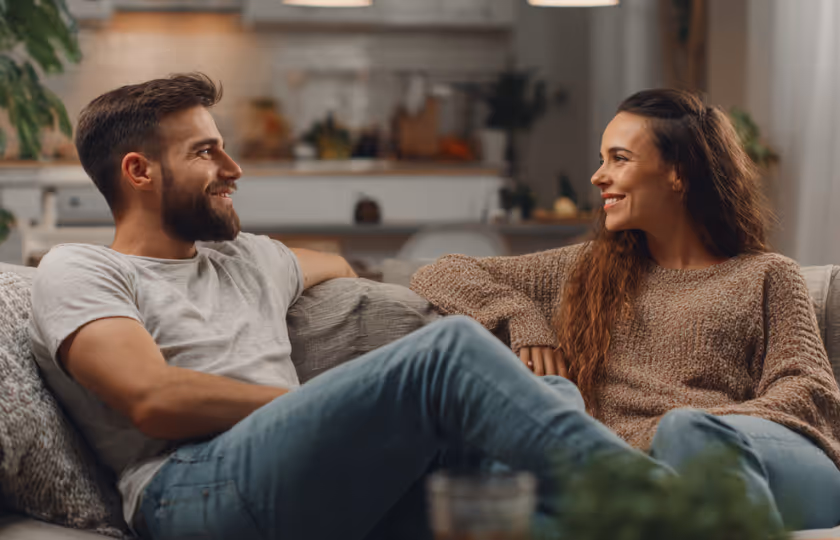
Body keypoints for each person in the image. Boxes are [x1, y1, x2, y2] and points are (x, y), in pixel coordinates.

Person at [28, 73, 666, 540]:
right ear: (138, 172)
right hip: (191, 490)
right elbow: (153, 400)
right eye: (204, 152)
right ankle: (695, 514)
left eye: (222, 146)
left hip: (304, 483)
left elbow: (338, 264)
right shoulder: (82, 269)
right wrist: (328, 402)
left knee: (514, 486)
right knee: (447, 354)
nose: (233, 167)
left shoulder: (249, 259)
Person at [411, 88, 840, 530]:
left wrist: (694, 427)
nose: (598, 176)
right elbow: (442, 272)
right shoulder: (586, 269)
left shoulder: (767, 274)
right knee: (525, 500)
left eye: (619, 158)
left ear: (678, 172)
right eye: (602, 159)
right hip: (646, 480)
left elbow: (809, 392)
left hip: (770, 460)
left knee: (685, 432)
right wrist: (520, 317)